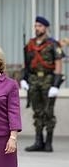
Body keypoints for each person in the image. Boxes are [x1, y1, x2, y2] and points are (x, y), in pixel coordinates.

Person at [21, 16, 65, 152]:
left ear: (46, 28)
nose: (37, 28)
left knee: (48, 112)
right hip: (34, 81)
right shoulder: (30, 44)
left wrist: (56, 85)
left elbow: (58, 65)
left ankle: (48, 142)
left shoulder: (53, 44)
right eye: (35, 26)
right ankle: (38, 141)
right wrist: (24, 78)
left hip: (48, 80)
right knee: (37, 111)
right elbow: (26, 64)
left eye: (39, 26)